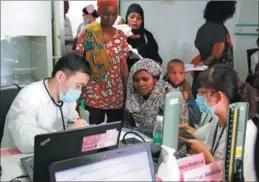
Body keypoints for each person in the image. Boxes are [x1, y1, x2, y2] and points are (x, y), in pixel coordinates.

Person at [1, 52, 92, 153]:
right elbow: (25, 141)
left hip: (54, 151)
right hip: (17, 157)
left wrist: (78, 125)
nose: (79, 92)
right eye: (78, 86)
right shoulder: (28, 98)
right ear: (60, 77)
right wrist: (65, 135)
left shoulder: (67, 97)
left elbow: (70, 120)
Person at [180, 64, 257, 181]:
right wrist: (188, 131)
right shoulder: (217, 119)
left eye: (202, 93)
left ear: (219, 96)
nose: (199, 97)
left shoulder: (243, 132)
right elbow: (204, 140)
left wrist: (205, 154)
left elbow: (231, 178)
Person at [76, 0, 129, 125]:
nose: (110, 18)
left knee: (115, 130)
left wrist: (127, 92)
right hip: (93, 91)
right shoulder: (88, 33)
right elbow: (78, 63)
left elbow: (123, 65)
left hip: (116, 92)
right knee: (93, 131)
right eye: (106, 14)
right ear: (99, 12)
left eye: (114, 14)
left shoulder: (120, 36)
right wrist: (77, 92)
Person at [125, 58, 189, 128]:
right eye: (136, 80)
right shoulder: (133, 98)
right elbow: (127, 127)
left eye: (145, 79)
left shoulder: (169, 96)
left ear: (155, 79)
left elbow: (179, 128)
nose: (141, 84)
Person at [192, 1, 237, 98]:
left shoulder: (202, 28)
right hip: (215, 74)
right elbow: (217, 54)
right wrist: (204, 62)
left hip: (201, 72)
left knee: (199, 99)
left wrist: (202, 62)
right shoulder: (219, 29)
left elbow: (204, 49)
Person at [125, 3, 163, 70]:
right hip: (124, 75)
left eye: (139, 18)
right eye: (132, 17)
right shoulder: (119, 34)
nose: (135, 20)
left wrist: (157, 64)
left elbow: (155, 55)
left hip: (143, 76)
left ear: (142, 21)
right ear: (127, 18)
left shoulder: (147, 36)